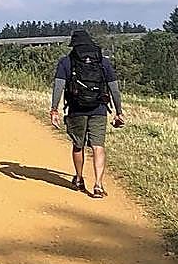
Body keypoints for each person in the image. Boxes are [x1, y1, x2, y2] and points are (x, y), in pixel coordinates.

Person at [50, 30, 126, 198]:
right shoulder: (103, 62)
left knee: (79, 145)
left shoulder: (66, 61)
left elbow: (58, 86)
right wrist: (118, 112)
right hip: (99, 109)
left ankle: (78, 178)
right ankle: (98, 185)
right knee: (98, 146)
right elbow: (114, 87)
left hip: (76, 109)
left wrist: (54, 109)